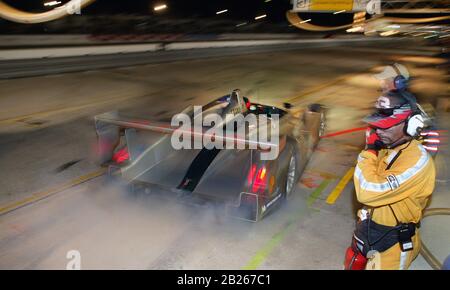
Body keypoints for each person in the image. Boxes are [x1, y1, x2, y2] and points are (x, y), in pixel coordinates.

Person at [344, 90, 436, 270]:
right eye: (377, 125)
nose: (378, 131)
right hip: (370, 229)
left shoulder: (417, 161)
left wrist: (369, 152)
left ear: (411, 125)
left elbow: (368, 191)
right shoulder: (389, 147)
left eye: (386, 126)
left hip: (394, 242)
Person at [373, 63, 440, 155]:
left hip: (409, 158)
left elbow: (432, 137)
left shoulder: (415, 105)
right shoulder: (388, 102)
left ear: (398, 82)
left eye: (385, 80)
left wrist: (424, 158)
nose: (381, 83)